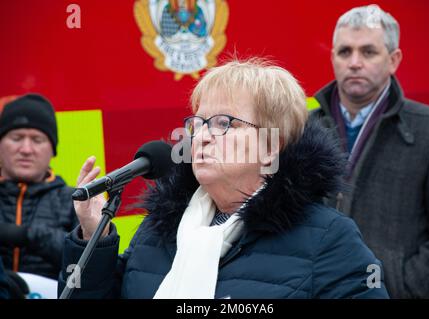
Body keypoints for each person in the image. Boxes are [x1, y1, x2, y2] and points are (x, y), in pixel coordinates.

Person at [59, 59, 389, 299]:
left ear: (271, 148)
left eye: (223, 123)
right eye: (197, 123)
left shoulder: (328, 238)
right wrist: (93, 234)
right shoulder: (158, 230)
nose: (202, 136)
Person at [311, 5, 429, 298]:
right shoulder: (303, 129)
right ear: (333, 57)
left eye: (368, 52)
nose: (355, 62)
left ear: (393, 59)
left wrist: (404, 288)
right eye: (345, 52)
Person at [0, 94, 78, 280]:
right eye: (17, 138)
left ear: (53, 150)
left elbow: (90, 265)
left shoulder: (75, 201)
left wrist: (27, 235)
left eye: (37, 140)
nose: (26, 149)